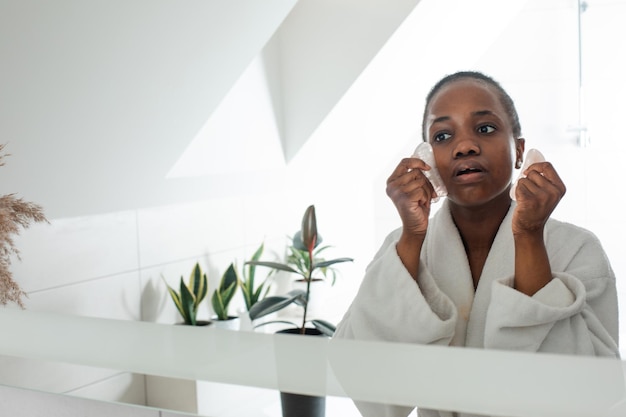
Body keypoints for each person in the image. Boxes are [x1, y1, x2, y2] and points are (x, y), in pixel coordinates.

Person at [333, 71, 620, 417]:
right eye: (442, 135)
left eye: (485, 128)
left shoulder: (576, 248)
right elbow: (364, 379)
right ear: (426, 160)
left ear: (519, 151)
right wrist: (412, 235)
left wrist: (529, 236)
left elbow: (591, 391)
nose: (464, 146)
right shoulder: (403, 249)